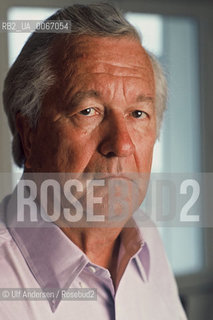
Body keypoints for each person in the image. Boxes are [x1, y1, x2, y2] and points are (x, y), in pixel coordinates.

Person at [0, 3, 187, 319]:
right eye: (88, 111)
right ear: (28, 134)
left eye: (138, 114)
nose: (122, 144)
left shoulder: (145, 238)